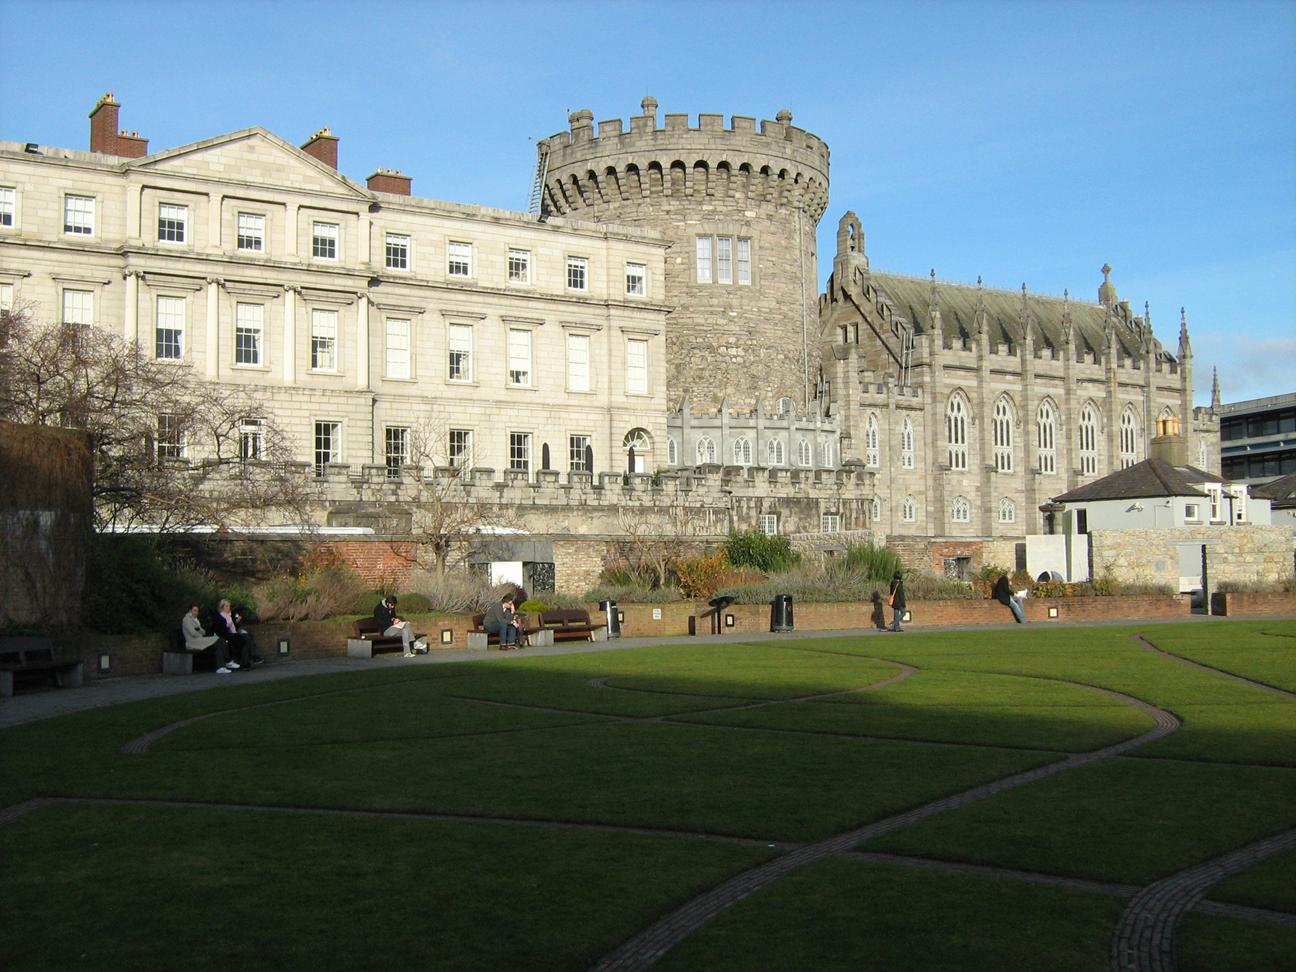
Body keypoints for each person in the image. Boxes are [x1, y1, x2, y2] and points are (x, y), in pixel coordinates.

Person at [180, 605, 235, 675]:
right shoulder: (186, 619)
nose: (196, 613)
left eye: (197, 611)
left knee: (219, 642)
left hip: (199, 640)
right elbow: (193, 633)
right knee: (219, 640)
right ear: (190, 610)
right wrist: (199, 632)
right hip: (192, 642)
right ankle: (227, 661)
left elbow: (203, 631)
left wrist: (198, 629)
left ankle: (222, 666)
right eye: (194, 610)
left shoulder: (195, 620)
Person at [215, 598, 264, 668]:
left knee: (247, 637)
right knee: (244, 639)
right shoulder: (219, 616)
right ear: (222, 607)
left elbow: (234, 626)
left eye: (229, 606)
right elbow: (220, 630)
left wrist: (236, 622)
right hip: (227, 636)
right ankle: (253, 657)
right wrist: (227, 626)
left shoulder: (229, 615)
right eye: (227, 606)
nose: (229, 608)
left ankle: (249, 661)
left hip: (234, 634)